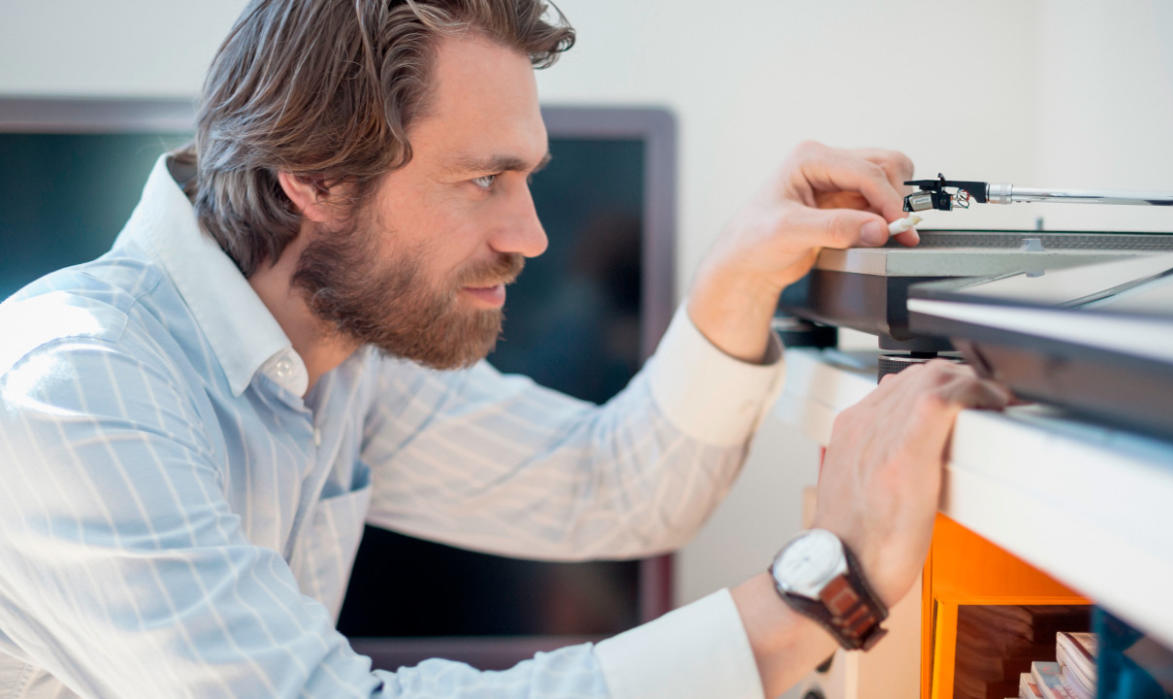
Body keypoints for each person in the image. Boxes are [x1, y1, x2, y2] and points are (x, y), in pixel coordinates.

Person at [0, 1, 1009, 697]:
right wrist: (823, 593)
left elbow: (610, 486)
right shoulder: (75, 396)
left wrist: (739, 273)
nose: (531, 235)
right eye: (484, 180)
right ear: (313, 176)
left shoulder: (340, 354)